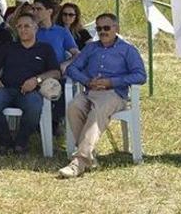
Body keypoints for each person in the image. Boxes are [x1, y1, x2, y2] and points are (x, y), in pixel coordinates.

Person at [59, 13, 147, 178]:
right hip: (90, 91)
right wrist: (87, 80)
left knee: (97, 111)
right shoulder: (91, 48)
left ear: (116, 28)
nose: (102, 32)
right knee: (73, 107)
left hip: (114, 94)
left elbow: (140, 76)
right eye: (99, 28)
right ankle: (89, 158)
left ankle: (79, 162)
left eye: (107, 28)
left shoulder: (127, 50)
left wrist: (111, 82)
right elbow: (72, 68)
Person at [0, 13, 61, 154]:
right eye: (19, 27)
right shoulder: (9, 47)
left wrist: (36, 80)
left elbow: (56, 72)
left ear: (35, 28)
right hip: (6, 89)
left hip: (31, 92)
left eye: (27, 26)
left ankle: (21, 142)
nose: (23, 29)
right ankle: (5, 142)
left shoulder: (45, 49)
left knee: (34, 107)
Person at [32, 0, 80, 73]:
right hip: (34, 72)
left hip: (56, 73)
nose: (34, 12)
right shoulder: (29, 31)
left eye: (39, 9)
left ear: (49, 11)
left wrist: (65, 64)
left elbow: (77, 54)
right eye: (33, 9)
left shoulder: (62, 31)